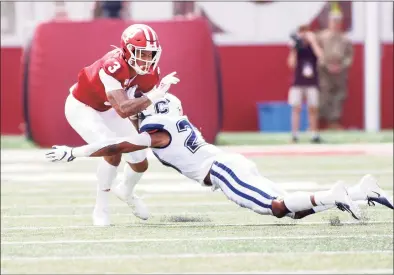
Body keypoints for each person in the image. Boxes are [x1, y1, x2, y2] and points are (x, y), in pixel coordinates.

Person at [47, 94, 394, 223]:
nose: (134, 111)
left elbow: (114, 147)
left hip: (223, 172)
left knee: (275, 207)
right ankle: (362, 191)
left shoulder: (153, 132)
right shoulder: (170, 117)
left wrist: (72, 152)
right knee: (294, 211)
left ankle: (334, 194)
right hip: (231, 162)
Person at [64, 23, 180, 226]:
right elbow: (124, 109)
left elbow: (136, 109)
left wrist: (143, 131)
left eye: (150, 53)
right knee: (111, 149)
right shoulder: (113, 66)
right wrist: (154, 96)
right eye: (141, 53)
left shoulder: (152, 74)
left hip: (109, 108)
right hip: (83, 106)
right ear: (127, 50)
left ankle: (126, 191)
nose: (146, 59)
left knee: (140, 158)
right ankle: (101, 207)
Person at [317, 9, 353, 130]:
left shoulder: (345, 39)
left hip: (340, 72)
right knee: (323, 95)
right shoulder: (321, 37)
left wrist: (341, 65)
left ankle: (334, 121)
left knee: (339, 96)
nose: (335, 23)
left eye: (338, 21)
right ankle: (318, 121)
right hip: (324, 71)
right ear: (329, 22)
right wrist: (326, 65)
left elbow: (349, 56)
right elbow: (316, 52)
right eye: (333, 21)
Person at [288, 25, 324, 143]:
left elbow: (321, 56)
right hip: (298, 82)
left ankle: (314, 133)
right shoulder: (297, 48)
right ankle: (295, 134)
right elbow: (291, 64)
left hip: (312, 82)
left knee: (313, 108)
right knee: (296, 107)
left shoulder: (313, 48)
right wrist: (295, 47)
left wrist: (313, 42)